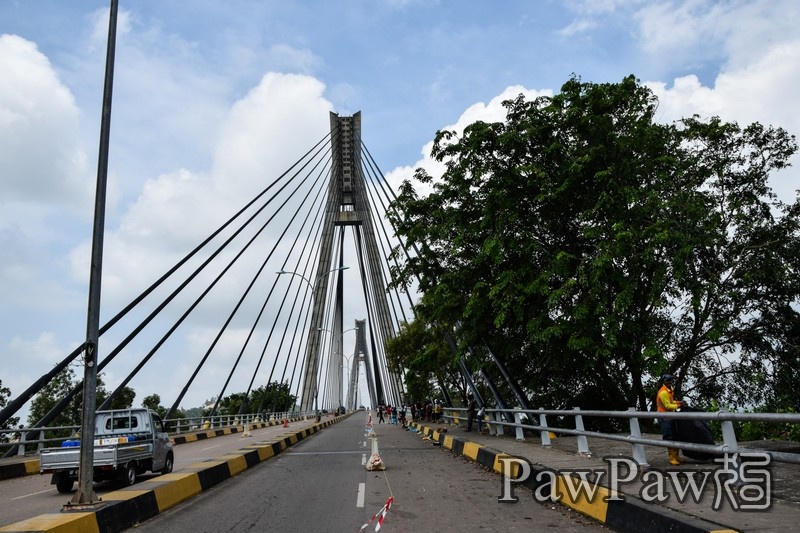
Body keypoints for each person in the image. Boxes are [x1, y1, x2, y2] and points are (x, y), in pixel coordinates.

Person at [656, 373, 684, 465]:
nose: (670, 382)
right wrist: (679, 405)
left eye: (671, 380)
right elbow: (667, 406)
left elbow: (671, 402)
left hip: (670, 416)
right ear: (664, 381)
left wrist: (679, 402)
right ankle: (672, 457)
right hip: (664, 417)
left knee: (675, 436)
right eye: (667, 380)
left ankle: (676, 456)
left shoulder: (670, 390)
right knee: (669, 436)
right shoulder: (663, 392)